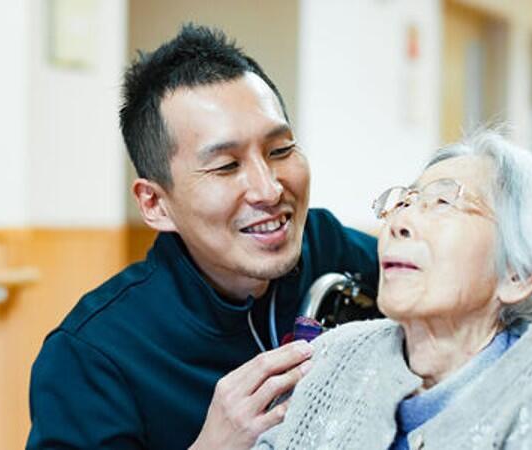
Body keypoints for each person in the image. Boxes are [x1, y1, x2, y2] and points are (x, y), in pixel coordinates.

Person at [26, 24, 380, 450]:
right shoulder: (92, 356)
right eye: (226, 166)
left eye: (280, 150)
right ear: (155, 204)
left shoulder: (328, 247)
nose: (269, 190)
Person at [254, 129, 532, 449]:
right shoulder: (334, 356)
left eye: (443, 203)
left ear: (518, 273)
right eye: (404, 202)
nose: (398, 223)